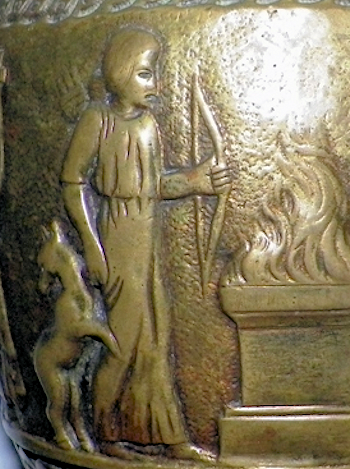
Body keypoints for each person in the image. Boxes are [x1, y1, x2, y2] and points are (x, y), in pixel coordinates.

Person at [60, 28, 231, 460]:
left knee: (154, 340)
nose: (155, 84)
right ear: (119, 73)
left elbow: (153, 187)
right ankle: (105, 435)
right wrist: (92, 246)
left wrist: (196, 181)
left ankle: (165, 437)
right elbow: (72, 181)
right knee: (123, 340)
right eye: (144, 74)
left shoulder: (148, 125)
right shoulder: (97, 120)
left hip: (146, 236)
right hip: (117, 235)